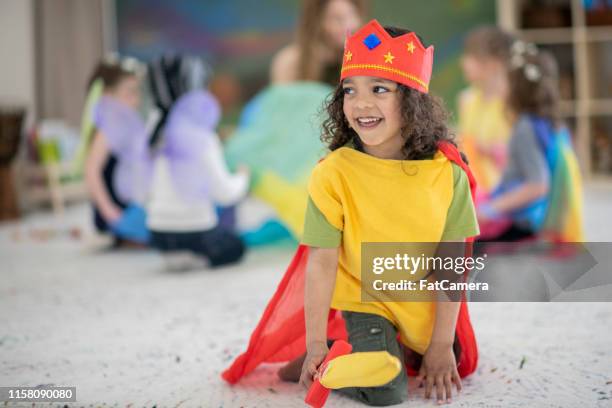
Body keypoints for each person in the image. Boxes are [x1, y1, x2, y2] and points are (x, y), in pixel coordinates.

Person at [223, 20, 480, 406]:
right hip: (367, 302)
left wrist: (442, 344)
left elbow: (450, 263)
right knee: (388, 390)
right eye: (349, 90)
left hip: (419, 301)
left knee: (451, 361)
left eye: (379, 89)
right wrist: (312, 346)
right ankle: (328, 356)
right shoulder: (333, 174)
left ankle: (358, 346)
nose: (360, 104)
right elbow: (322, 263)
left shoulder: (446, 174)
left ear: (411, 100)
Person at [146, 56, 249, 270]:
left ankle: (175, 255)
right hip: (195, 233)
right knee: (236, 245)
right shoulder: (201, 133)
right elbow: (225, 193)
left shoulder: (152, 129)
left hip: (157, 234)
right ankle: (196, 255)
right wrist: (243, 176)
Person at [477, 43, 584, 242]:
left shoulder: (526, 126)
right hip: (529, 218)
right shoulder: (549, 123)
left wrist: (489, 209)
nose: (499, 84)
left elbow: (537, 185)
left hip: (522, 223)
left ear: (517, 87)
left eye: (503, 78)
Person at [84, 56, 151, 245]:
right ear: (108, 94)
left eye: (137, 92)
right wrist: (110, 212)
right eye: (129, 93)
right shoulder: (111, 123)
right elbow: (91, 169)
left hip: (129, 203)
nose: (136, 100)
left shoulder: (124, 121)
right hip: (120, 210)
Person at [458, 26, 515, 194]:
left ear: (492, 64)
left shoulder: (511, 103)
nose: (463, 63)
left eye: (470, 57)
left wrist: (490, 150)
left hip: (505, 195)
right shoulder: (467, 99)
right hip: (475, 193)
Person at [270, 0, 365, 86]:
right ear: (319, 22)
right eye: (338, 19)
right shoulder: (291, 62)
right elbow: (281, 102)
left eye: (352, 15)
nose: (350, 25)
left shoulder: (362, 59)